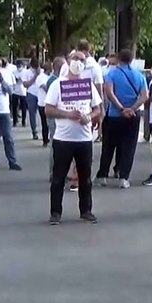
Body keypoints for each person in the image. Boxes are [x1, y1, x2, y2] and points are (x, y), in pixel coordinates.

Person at [44, 54, 104, 224]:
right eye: (76, 60)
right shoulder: (58, 85)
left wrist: (89, 117)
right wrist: (67, 114)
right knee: (59, 177)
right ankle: (55, 212)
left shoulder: (87, 85)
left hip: (84, 139)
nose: (78, 64)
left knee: (85, 177)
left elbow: (97, 109)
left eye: (82, 60)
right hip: (63, 139)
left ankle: (86, 210)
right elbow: (48, 110)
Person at [96, 48, 148, 189]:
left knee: (108, 146)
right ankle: (123, 177)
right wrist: (132, 108)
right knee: (129, 147)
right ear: (132, 60)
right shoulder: (139, 76)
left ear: (119, 59)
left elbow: (109, 93)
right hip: (133, 116)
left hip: (114, 115)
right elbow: (144, 96)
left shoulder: (111, 74)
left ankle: (103, 175)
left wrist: (121, 108)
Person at [0, 57, 21, 170]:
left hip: (3, 111)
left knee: (8, 137)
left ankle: (12, 161)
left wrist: (1, 79)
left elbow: (10, 91)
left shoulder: (5, 75)